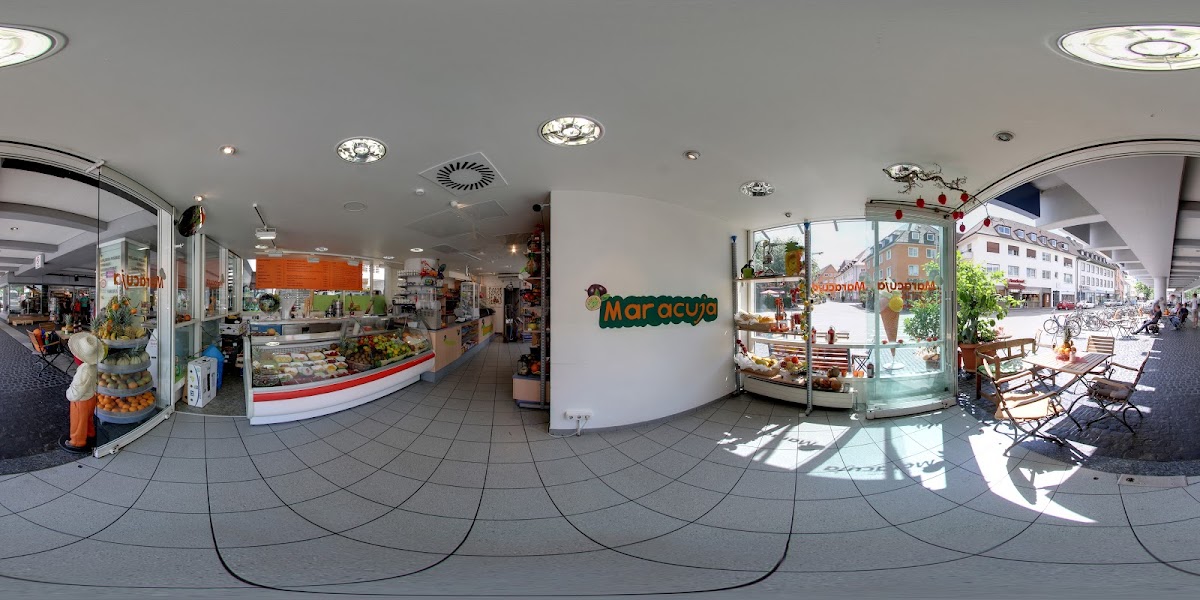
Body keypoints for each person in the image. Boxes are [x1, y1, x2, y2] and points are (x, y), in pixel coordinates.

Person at [61, 332, 105, 453]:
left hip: (81, 401)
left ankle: (77, 442)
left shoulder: (84, 370)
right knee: (87, 419)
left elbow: (77, 389)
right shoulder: (93, 366)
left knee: (78, 422)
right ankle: (90, 434)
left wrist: (69, 394)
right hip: (91, 398)